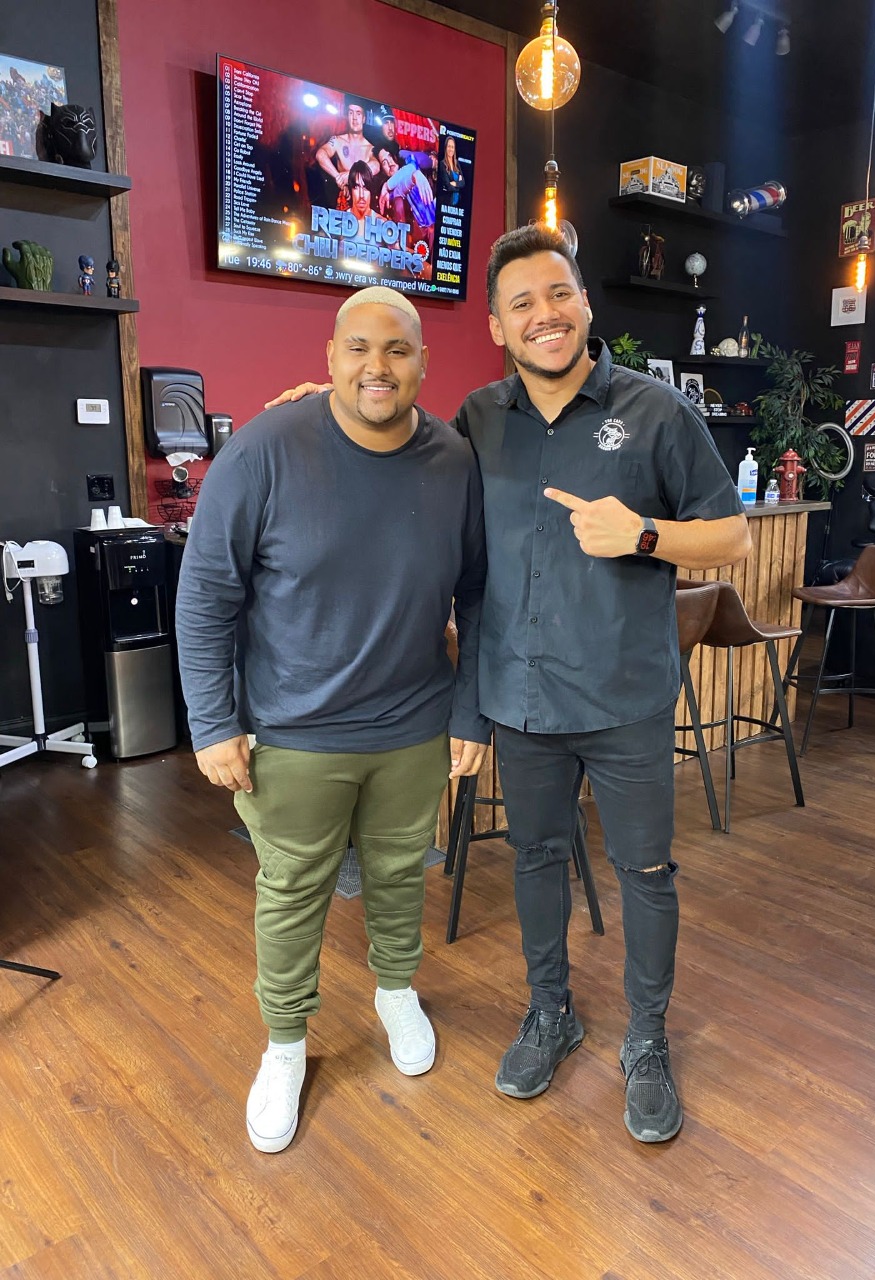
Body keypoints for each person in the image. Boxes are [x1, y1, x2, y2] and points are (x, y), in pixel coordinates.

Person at [265, 225, 751, 1145]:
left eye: (558, 294)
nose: (544, 315)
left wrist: (644, 534)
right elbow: (394, 440)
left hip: (627, 695)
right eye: (521, 303)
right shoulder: (478, 420)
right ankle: (550, 1012)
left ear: (585, 304)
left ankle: (647, 1040)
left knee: (646, 873)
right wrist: (319, 410)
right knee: (533, 861)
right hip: (522, 698)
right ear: (496, 325)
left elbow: (732, 537)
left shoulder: (655, 412)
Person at [176, 287, 488, 1155]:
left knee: (398, 872)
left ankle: (395, 991)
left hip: (413, 725)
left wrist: (470, 710)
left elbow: (478, 596)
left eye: (397, 349)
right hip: (292, 733)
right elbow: (205, 594)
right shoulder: (264, 449)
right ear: (331, 357)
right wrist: (211, 722)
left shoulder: (454, 462)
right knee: (292, 893)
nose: (376, 367)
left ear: (423, 363)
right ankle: (285, 1044)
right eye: (359, 348)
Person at [315, 100, 380, 195]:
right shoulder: (338, 140)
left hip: (362, 199)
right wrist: (338, 178)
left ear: (364, 119)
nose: (354, 118)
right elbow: (320, 155)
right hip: (340, 198)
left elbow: (376, 166)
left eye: (358, 113)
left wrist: (350, 175)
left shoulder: (369, 148)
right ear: (347, 116)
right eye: (351, 113)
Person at [439, 136, 465, 205]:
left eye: (452, 147)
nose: (451, 149)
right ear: (446, 148)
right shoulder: (442, 164)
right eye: (449, 146)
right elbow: (448, 185)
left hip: (458, 202)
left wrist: (454, 183)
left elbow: (463, 182)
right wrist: (458, 186)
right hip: (447, 201)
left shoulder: (457, 163)